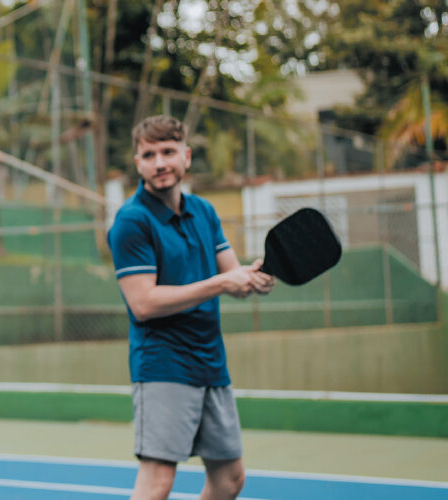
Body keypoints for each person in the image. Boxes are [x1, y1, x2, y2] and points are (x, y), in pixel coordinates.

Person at [107, 115, 273, 500]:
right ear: (138, 164)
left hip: (210, 363)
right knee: (158, 482)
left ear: (187, 156)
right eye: (149, 155)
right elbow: (143, 303)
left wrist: (255, 278)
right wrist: (221, 283)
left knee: (230, 479)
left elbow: (235, 279)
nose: (160, 162)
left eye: (168, 151)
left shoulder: (205, 212)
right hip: (163, 364)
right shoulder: (132, 221)